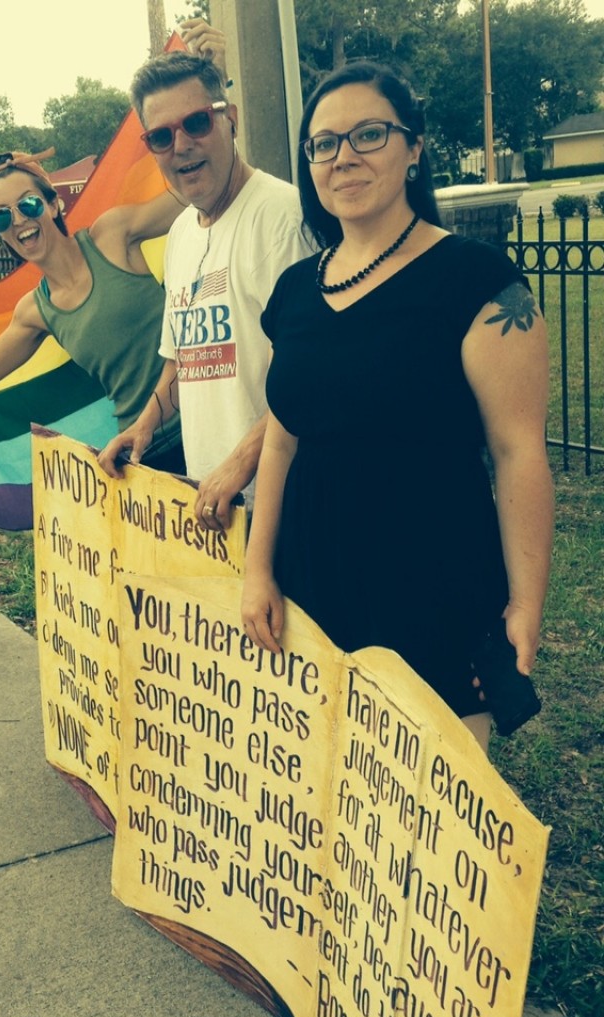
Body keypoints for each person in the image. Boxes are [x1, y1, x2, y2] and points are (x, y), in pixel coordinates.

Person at [240, 62, 554, 750]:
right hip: (312, 580)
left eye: (368, 135)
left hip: (435, 582)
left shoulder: (481, 284)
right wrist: (257, 570)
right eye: (323, 144)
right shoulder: (295, 290)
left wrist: (526, 601)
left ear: (414, 149)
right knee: (329, 791)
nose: (342, 157)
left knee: (433, 814)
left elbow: (518, 451)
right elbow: (283, 441)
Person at [0, 22, 230, 478]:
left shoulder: (112, 235)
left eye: (28, 203)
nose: (18, 220)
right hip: (143, 455)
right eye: (1, 216)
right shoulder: (36, 310)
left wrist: (217, 88)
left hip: (209, 422)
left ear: (54, 203)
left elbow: (194, 186)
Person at [97, 50, 314, 529]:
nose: (181, 145)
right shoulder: (180, 235)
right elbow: (182, 358)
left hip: (284, 507)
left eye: (196, 123)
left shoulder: (284, 220)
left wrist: (239, 465)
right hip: (212, 508)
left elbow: (311, 373)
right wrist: (144, 426)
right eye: (160, 136)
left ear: (229, 120)